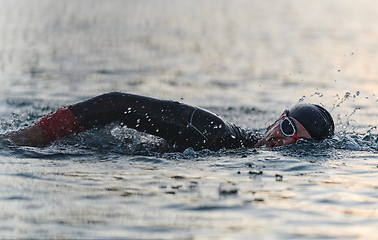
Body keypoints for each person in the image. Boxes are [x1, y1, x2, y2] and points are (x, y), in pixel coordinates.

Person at [6, 92, 334, 151]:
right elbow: (115, 104)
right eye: (288, 130)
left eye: (299, 144)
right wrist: (32, 137)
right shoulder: (213, 133)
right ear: (279, 120)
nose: (285, 141)